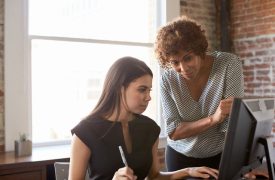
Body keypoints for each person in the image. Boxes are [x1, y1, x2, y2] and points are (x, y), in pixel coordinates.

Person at [69, 56, 219, 180]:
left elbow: (154, 176)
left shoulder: (149, 128)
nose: (148, 98)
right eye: (142, 90)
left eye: (149, 90)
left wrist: (188, 171)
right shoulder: (85, 132)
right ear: (119, 88)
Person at [154, 16, 244, 171]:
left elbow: (230, 125)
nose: (183, 68)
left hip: (220, 155)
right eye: (175, 62)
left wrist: (242, 165)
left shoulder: (228, 64)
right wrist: (213, 119)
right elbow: (174, 132)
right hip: (179, 157)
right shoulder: (167, 80)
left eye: (188, 58)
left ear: (200, 49)